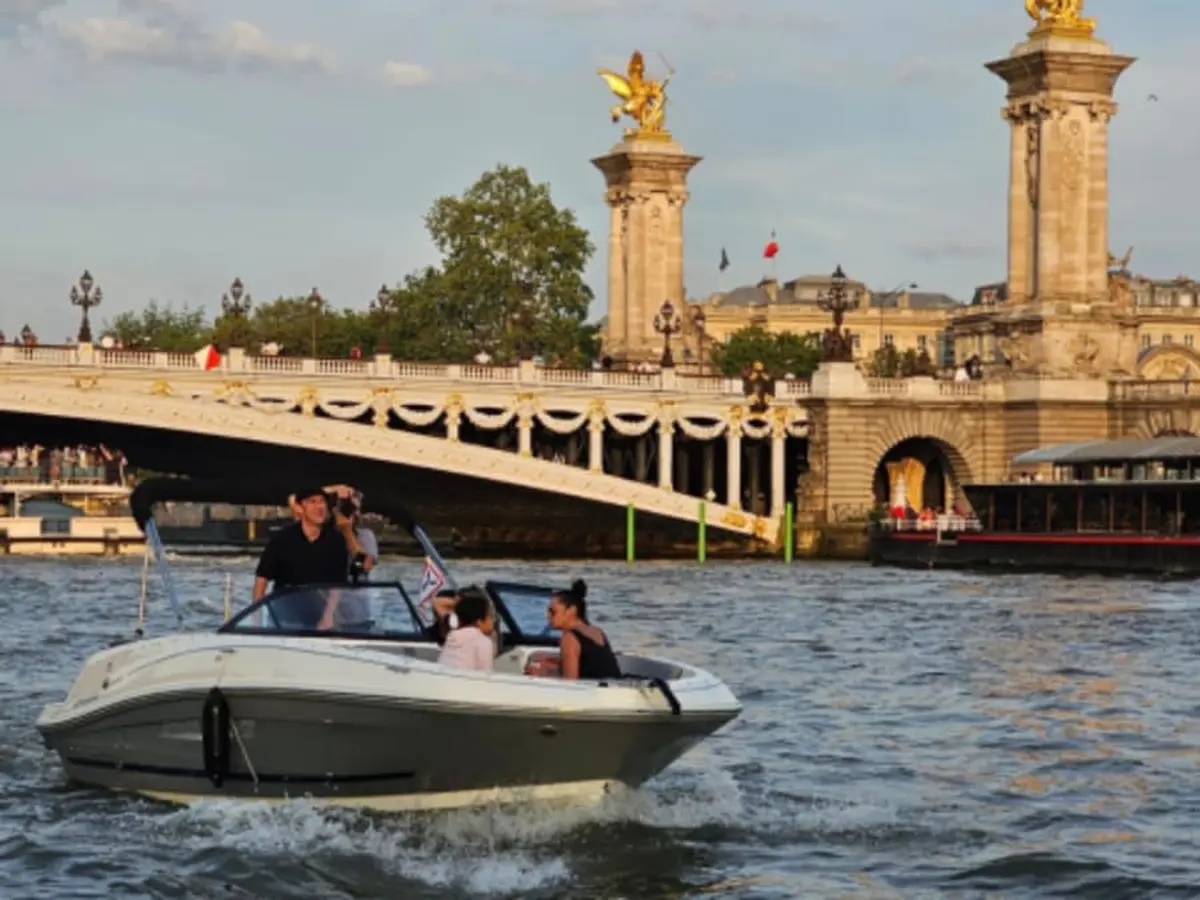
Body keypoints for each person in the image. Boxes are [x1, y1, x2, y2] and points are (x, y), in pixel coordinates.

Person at [252, 486, 366, 626]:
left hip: (319, 619)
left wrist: (328, 616)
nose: (319, 507)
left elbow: (337, 585)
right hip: (284, 620)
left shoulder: (335, 540)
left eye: (322, 502)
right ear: (300, 508)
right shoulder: (281, 539)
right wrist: (256, 619)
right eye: (312, 502)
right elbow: (261, 579)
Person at [540, 579, 620, 680]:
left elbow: (570, 683)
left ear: (571, 610)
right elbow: (590, 665)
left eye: (553, 612)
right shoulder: (597, 631)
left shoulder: (569, 638)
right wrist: (552, 664)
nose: (548, 617)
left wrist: (543, 674)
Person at [436, 592, 496, 672]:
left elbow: (436, 602)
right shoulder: (482, 641)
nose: (493, 621)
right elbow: (486, 675)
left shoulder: (451, 635)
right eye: (490, 617)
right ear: (479, 622)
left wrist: (461, 605)